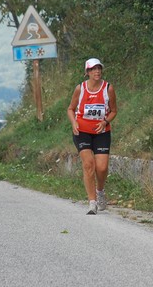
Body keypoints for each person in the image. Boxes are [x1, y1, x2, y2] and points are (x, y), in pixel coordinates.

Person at [67, 58, 117, 215]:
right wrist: (74, 122)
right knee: (89, 165)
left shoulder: (108, 88)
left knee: (102, 168)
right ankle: (92, 202)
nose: (97, 72)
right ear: (87, 72)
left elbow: (114, 110)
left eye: (99, 69)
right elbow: (70, 108)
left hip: (101, 132)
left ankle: (100, 191)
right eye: (93, 69)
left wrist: (105, 121)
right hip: (82, 132)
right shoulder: (80, 89)